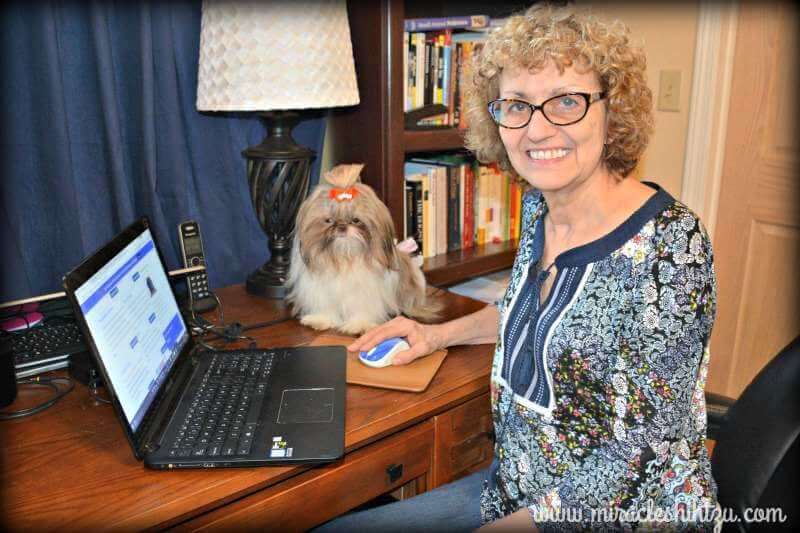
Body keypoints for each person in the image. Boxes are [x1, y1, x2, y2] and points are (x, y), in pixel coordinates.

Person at [316, 3, 718, 531]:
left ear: (611, 110)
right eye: (517, 105)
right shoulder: (539, 205)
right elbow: (534, 311)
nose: (539, 129)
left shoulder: (672, 246)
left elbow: (640, 456)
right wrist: (435, 336)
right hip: (511, 490)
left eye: (567, 102)